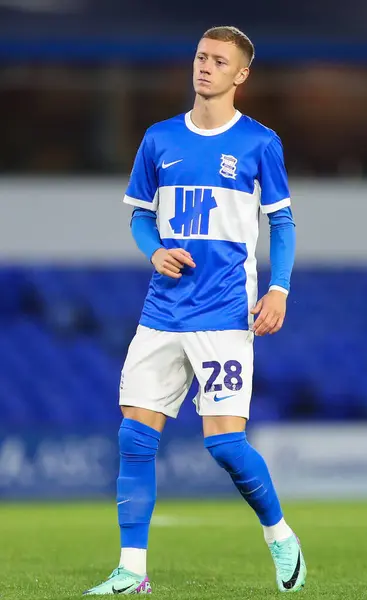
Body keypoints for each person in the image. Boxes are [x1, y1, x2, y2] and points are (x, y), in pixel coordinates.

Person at [84, 25, 306, 596]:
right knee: (134, 439)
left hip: (226, 314)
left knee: (224, 445)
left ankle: (280, 536)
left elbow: (281, 222)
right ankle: (132, 572)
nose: (204, 67)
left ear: (241, 74)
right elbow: (137, 215)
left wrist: (277, 288)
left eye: (218, 61)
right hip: (161, 313)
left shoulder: (260, 143)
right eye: (201, 57)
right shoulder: (159, 139)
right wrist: (154, 250)